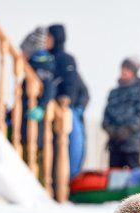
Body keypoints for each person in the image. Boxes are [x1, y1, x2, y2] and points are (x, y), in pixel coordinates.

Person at [47, 24, 90, 179]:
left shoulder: (65, 59)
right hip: (54, 110)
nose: (46, 40)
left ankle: (71, 177)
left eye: (49, 37)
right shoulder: (45, 58)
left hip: (69, 109)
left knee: (74, 144)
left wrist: (67, 101)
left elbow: (72, 86)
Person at [102, 58, 140, 169]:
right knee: (114, 176)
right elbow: (106, 116)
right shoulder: (113, 93)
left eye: (127, 69)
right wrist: (112, 131)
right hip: (114, 144)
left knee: (135, 175)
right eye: (123, 69)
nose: (124, 72)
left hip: (132, 143)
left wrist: (127, 130)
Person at [19, 27, 57, 149]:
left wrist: (40, 107)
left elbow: (50, 87)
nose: (20, 55)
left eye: (23, 52)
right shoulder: (34, 67)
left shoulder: (40, 67)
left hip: (35, 121)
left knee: (32, 145)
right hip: (27, 115)